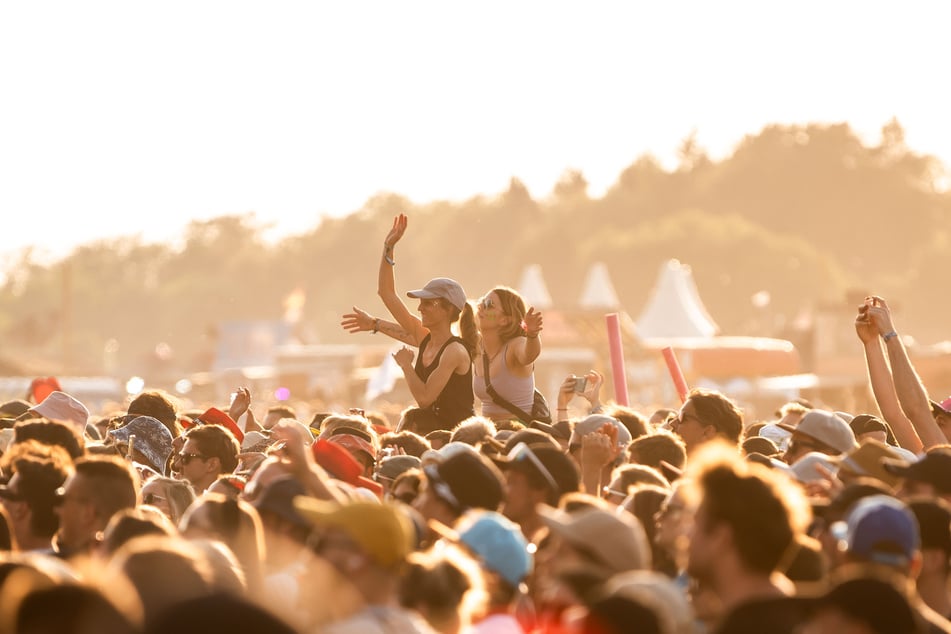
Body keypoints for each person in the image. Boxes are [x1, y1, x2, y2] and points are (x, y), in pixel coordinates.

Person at [342, 214, 476, 432]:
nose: (420, 308)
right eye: (420, 303)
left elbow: (424, 398)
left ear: (448, 309)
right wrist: (388, 248)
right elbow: (386, 293)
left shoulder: (455, 351)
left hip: (458, 439)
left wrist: (405, 365)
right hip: (435, 435)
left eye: (428, 303)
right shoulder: (425, 338)